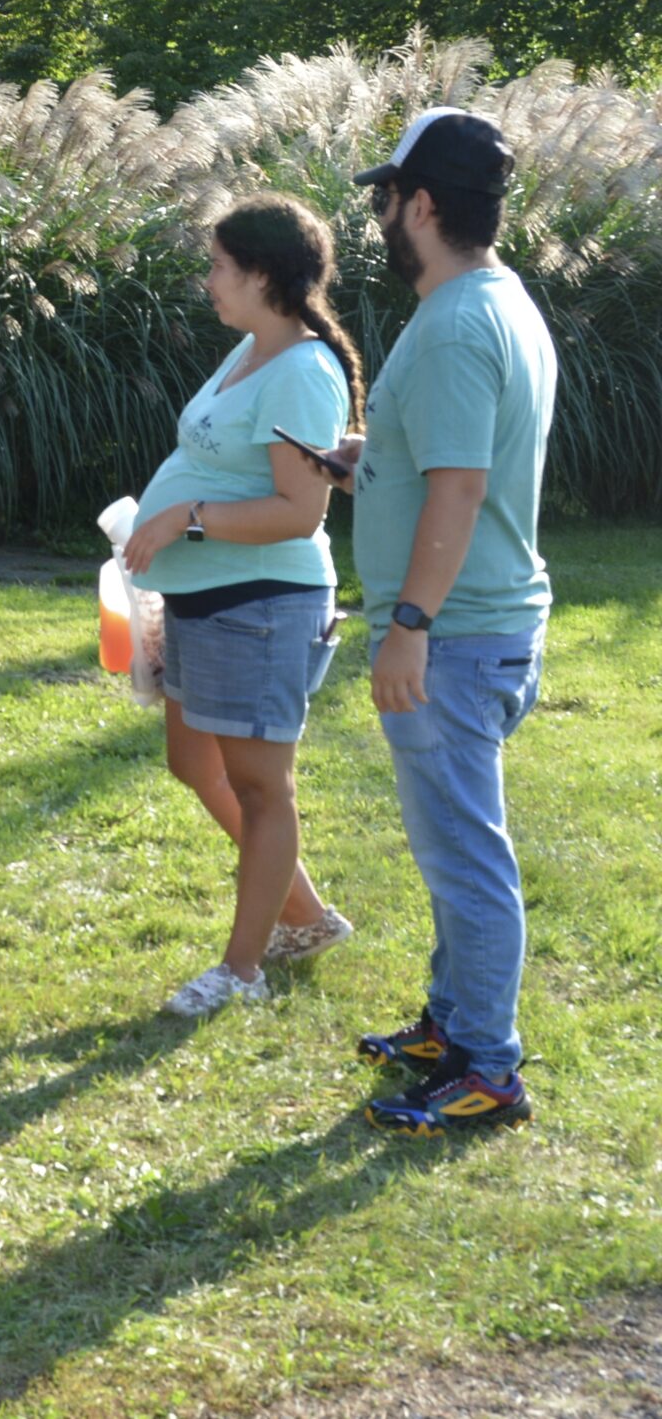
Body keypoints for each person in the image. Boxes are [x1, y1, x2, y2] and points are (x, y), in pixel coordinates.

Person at [325, 108, 556, 1135]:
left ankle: (489, 1069)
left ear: (421, 204)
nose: (377, 214)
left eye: (385, 197)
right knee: (448, 845)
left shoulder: (460, 322)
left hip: (455, 635)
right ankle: (451, 1021)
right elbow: (443, 461)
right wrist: (365, 460)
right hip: (474, 625)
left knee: (465, 855)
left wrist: (409, 620)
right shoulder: (486, 300)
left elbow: (460, 491)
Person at [120, 195, 361, 1018]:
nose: (209, 280)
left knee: (263, 788)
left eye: (220, 265)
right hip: (203, 595)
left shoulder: (301, 368)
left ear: (262, 274)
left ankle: (244, 968)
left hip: (262, 602)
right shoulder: (252, 352)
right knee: (193, 762)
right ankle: (304, 915)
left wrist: (186, 518)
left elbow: (300, 512)